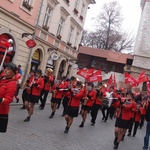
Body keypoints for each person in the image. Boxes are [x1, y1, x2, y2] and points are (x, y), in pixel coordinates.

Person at [0, 62, 17, 132]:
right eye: (5, 68)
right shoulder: (2, 79)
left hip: (1, 111)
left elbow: (8, 100)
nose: (5, 70)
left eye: (8, 69)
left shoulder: (12, 84)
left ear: (13, 73)